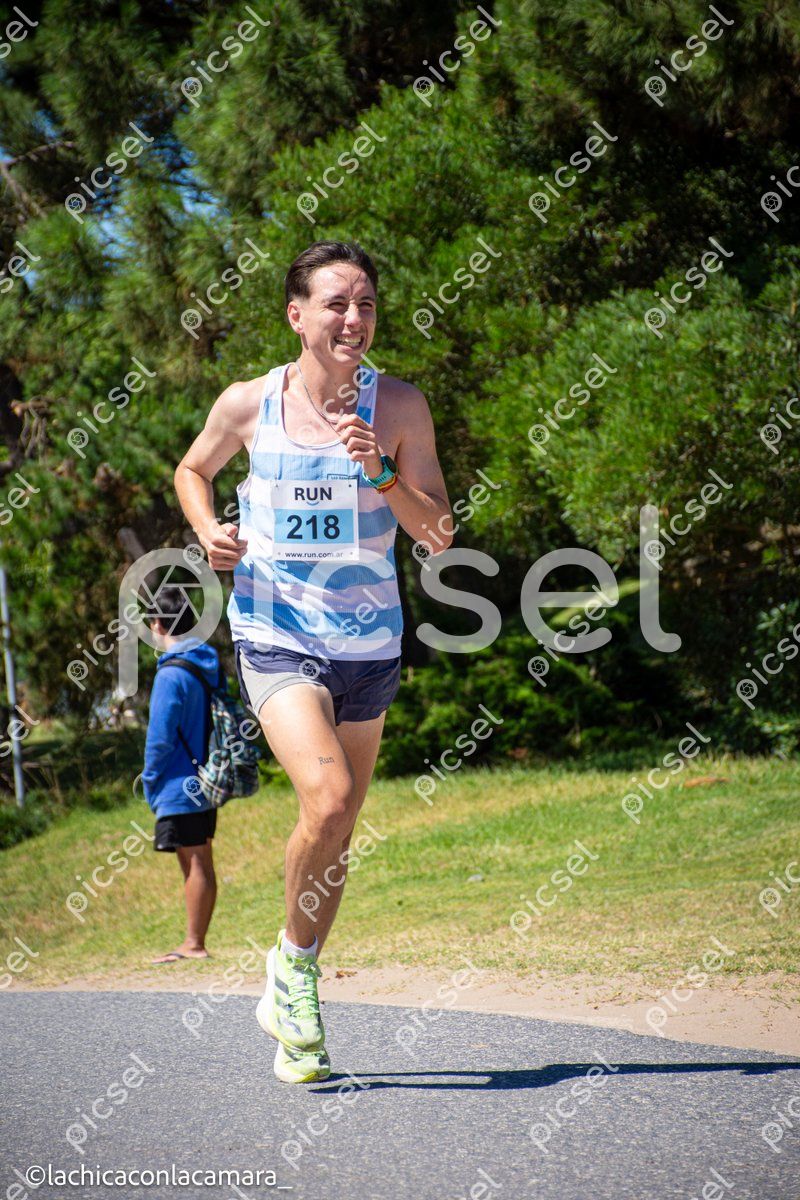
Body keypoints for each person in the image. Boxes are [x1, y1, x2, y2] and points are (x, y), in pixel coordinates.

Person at [174, 240, 452, 1082]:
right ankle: (294, 976)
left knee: (337, 829)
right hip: (277, 634)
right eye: (337, 303)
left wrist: (381, 474)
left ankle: (292, 981)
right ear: (297, 316)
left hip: (369, 644)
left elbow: (439, 533)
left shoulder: (398, 406)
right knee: (327, 798)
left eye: (366, 304)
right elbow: (192, 470)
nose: (354, 319)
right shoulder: (248, 403)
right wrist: (208, 530)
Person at [141, 585, 221, 964]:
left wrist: (149, 779)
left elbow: (159, 736)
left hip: (177, 783)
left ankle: (193, 944)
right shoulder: (205, 665)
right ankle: (195, 940)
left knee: (194, 862)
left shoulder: (170, 675)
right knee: (201, 858)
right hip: (206, 778)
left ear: (158, 623)